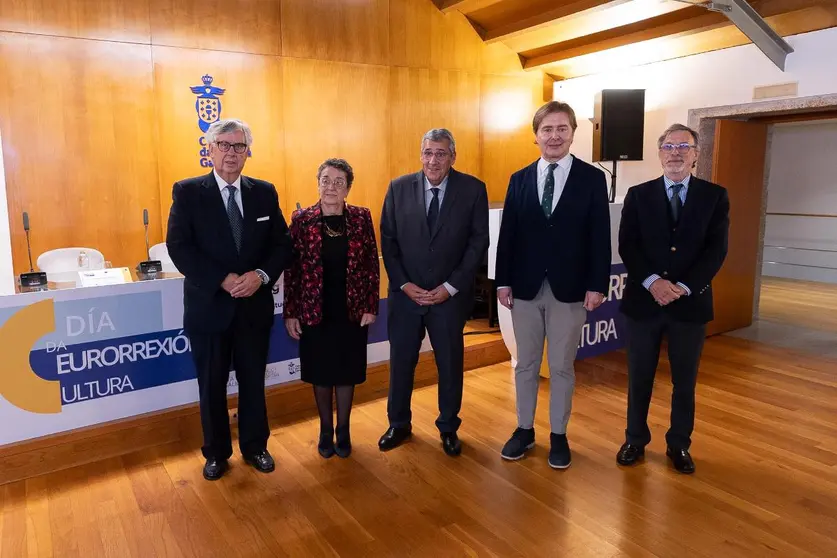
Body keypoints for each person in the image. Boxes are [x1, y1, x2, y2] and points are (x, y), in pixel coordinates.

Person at [166, 118, 291, 481]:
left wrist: (261, 276)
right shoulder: (188, 192)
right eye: (224, 145)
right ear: (209, 149)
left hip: (253, 307)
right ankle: (216, 452)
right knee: (212, 383)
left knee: (253, 381)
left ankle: (255, 447)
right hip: (210, 308)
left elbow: (281, 244)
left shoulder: (264, 192)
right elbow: (179, 247)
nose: (231, 153)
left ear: (248, 152)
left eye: (239, 146)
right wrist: (222, 279)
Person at [495, 101, 611, 469]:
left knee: (561, 366)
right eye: (547, 129)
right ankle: (524, 430)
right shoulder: (519, 179)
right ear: (536, 136)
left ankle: (558, 435)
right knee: (525, 364)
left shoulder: (592, 179)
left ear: (573, 133)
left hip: (570, 289)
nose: (554, 136)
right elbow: (508, 236)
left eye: (562, 128)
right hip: (525, 288)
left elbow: (599, 237)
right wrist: (503, 281)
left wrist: (597, 284)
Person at [616, 123, 729, 474]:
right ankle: (635, 439)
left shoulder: (715, 196)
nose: (675, 152)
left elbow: (716, 250)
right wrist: (653, 283)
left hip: (690, 304)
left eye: (684, 146)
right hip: (643, 302)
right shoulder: (638, 194)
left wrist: (680, 286)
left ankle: (679, 444)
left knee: (684, 380)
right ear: (659, 152)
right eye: (668, 146)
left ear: (696, 155)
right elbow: (628, 245)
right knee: (639, 376)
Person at [378, 128, 489, 456]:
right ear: (420, 154)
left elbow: (477, 243)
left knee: (451, 365)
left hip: (449, 299)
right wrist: (404, 284)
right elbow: (388, 240)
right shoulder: (398, 188)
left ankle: (449, 426)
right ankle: (398, 423)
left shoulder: (473, 190)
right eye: (428, 152)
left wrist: (450, 287)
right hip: (406, 297)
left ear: (453, 156)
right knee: (401, 363)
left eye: (441, 153)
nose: (433, 160)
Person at [283, 158, 380, 459]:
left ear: (348, 188)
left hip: (351, 311)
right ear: (317, 183)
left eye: (339, 181)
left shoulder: (362, 218)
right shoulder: (301, 219)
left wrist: (371, 305)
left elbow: (371, 266)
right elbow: (293, 270)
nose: (331, 187)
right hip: (314, 311)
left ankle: (345, 428)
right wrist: (291, 312)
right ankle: (326, 429)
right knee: (321, 373)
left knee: (347, 372)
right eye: (325, 179)